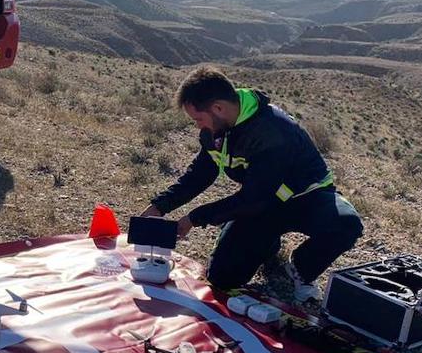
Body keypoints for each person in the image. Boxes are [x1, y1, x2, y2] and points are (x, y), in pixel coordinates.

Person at [141, 66, 363, 302]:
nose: (198, 126)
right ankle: (267, 245)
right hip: (265, 202)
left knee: (346, 225)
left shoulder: (273, 131)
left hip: (306, 198)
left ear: (218, 108)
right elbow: (202, 173)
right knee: (222, 277)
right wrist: (160, 206)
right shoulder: (216, 128)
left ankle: (301, 269)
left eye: (198, 118)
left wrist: (194, 218)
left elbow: (254, 199)